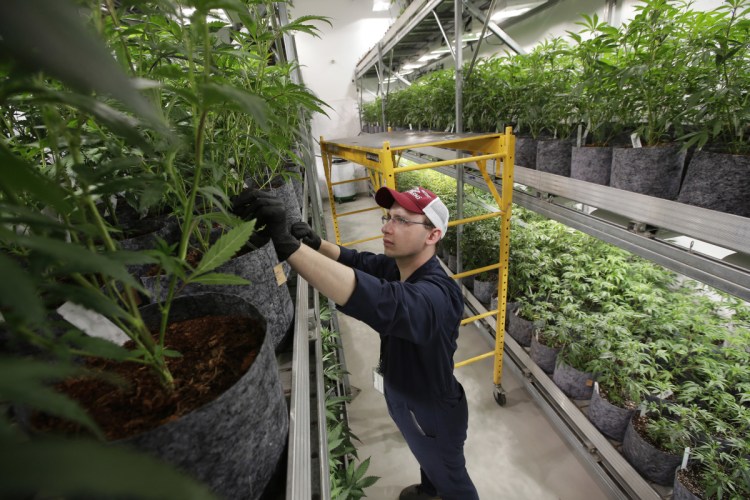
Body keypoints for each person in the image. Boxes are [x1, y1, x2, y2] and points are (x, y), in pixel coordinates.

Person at [233, 186, 479, 500]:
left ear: (432, 236)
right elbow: (360, 262)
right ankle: (430, 489)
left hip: (430, 411)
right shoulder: (401, 266)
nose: (387, 227)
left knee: (453, 480)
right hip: (407, 398)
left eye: (403, 221)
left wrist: (289, 247)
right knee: (428, 459)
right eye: (388, 217)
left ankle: (440, 487)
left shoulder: (438, 296)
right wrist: (314, 243)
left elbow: (381, 300)